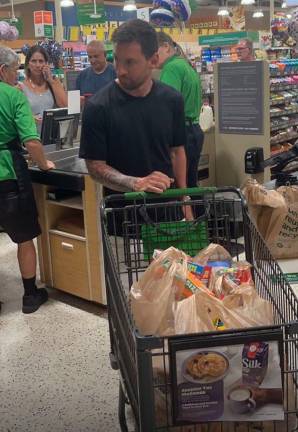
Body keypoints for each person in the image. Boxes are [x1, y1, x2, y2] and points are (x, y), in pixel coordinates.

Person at [79, 19, 190, 210]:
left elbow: (177, 152)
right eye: (117, 60)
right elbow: (95, 167)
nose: (120, 70)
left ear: (153, 61)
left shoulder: (172, 100)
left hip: (167, 210)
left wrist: (184, 200)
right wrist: (135, 183)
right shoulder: (98, 106)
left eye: (130, 62)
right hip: (122, 219)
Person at [0, 46, 55, 314]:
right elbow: (31, 141)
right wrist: (44, 164)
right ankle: (31, 296)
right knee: (24, 237)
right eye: (14, 70)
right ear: (3, 70)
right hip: (9, 174)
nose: (16, 76)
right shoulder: (13, 96)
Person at [157, 32, 204, 189]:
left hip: (181, 134)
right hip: (194, 129)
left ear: (166, 47)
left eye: (153, 51)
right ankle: (197, 213)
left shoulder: (172, 68)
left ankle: (187, 214)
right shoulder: (185, 65)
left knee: (178, 187)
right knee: (191, 183)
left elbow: (165, 106)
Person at [19, 45, 67, 133]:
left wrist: (50, 80)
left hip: (52, 136)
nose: (37, 65)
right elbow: (16, 116)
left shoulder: (54, 83)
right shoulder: (20, 87)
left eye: (41, 61)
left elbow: (65, 106)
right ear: (28, 64)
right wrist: (30, 118)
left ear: (46, 64)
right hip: (31, 137)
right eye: (34, 61)